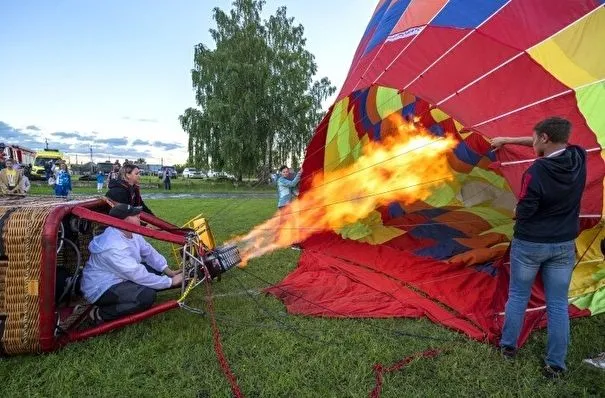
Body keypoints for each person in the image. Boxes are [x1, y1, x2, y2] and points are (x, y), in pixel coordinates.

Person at [492, 117, 586, 378]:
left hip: (530, 245)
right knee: (557, 304)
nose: (532, 142)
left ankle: (508, 348)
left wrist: (516, 211)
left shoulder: (536, 172)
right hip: (563, 246)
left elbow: (524, 212)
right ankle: (556, 364)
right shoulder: (579, 156)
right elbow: (552, 143)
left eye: (535, 138)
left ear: (544, 138)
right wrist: (508, 141)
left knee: (519, 296)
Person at [80, 204, 183, 322]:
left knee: (154, 270)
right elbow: (136, 273)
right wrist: (170, 282)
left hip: (119, 275)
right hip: (101, 287)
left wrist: (168, 271)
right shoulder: (113, 247)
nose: (139, 216)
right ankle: (99, 314)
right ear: (126, 220)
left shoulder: (131, 232)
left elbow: (148, 251)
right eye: (135, 215)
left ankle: (143, 286)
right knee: (146, 296)